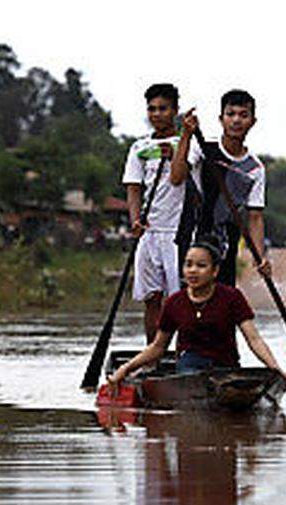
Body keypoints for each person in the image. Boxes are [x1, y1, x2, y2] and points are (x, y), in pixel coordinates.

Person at [107, 238, 286, 390]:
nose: (193, 271)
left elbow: (254, 340)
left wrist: (276, 370)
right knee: (193, 382)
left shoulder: (232, 297)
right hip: (190, 368)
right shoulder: (174, 302)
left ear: (215, 271)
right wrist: (125, 369)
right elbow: (158, 347)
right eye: (188, 265)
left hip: (225, 367)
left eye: (201, 266)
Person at [123, 83, 203, 343]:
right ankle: (152, 357)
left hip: (177, 234)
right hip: (148, 233)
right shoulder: (138, 148)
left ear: (175, 111)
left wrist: (183, 142)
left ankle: (184, 356)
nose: (157, 114)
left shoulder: (189, 144)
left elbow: (178, 178)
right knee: (151, 298)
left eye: (163, 109)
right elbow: (133, 188)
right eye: (152, 109)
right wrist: (135, 220)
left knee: (181, 300)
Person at [172, 89, 271, 286]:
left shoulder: (255, 169)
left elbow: (255, 216)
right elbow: (176, 177)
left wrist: (259, 258)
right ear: (221, 119)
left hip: (226, 243)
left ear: (252, 121)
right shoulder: (203, 148)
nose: (236, 120)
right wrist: (186, 136)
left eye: (243, 115)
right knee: (189, 300)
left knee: (221, 304)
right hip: (194, 234)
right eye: (231, 114)